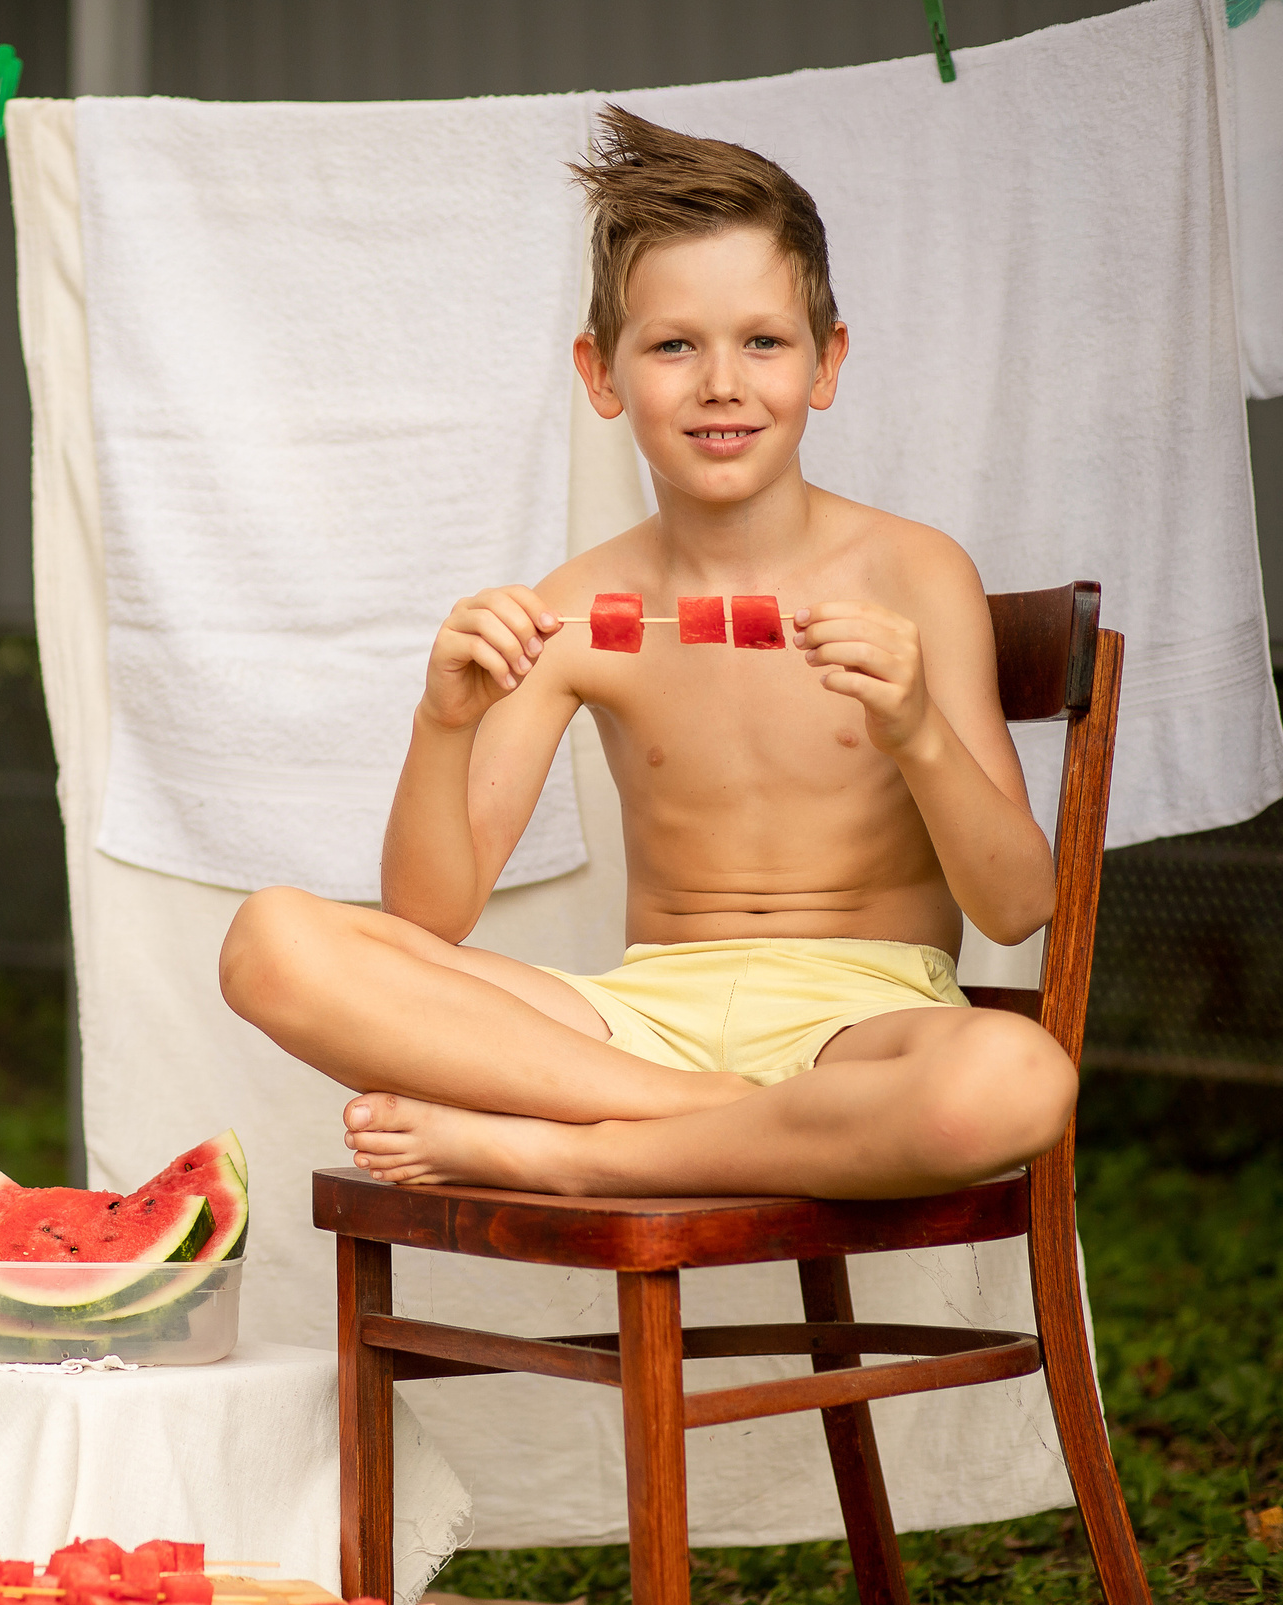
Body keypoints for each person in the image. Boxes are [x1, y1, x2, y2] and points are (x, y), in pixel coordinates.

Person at [216, 106, 1076, 1201]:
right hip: (637, 1024)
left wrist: (917, 731)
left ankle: (576, 1152)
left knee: (1013, 1080)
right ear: (601, 372)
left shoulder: (915, 573)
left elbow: (1015, 906)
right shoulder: (576, 606)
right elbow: (430, 919)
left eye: (763, 341)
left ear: (826, 362)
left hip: (863, 1023)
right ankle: (706, 1115)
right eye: (674, 345)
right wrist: (442, 723)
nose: (721, 382)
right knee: (270, 942)